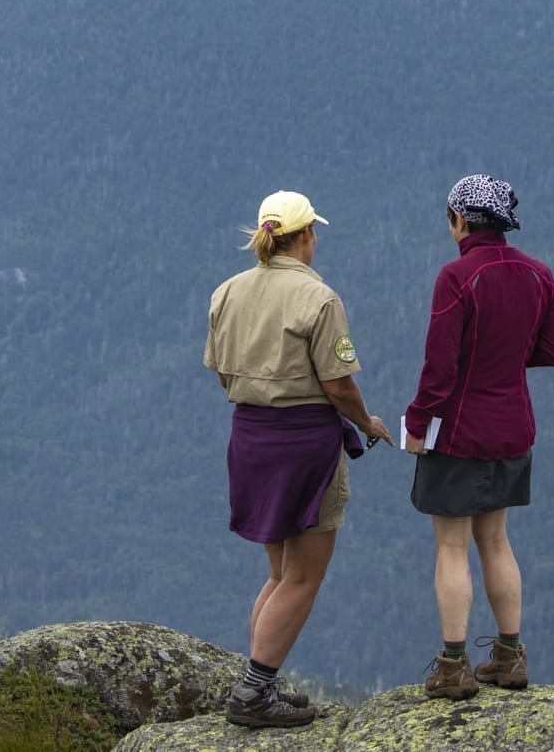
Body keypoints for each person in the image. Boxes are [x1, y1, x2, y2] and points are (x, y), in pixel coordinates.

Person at [205, 189, 392, 728]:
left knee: (279, 571)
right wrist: (366, 421)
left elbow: (223, 373)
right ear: (307, 236)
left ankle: (262, 679)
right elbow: (337, 384)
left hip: (250, 439)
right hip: (305, 442)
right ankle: (254, 693)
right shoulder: (320, 300)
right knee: (304, 576)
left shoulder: (227, 292)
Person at [404, 174, 554, 699]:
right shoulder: (538, 274)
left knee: (452, 546)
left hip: (458, 433)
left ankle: (454, 668)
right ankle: (510, 656)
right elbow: (550, 351)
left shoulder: (456, 277)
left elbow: (439, 368)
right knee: (496, 541)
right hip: (514, 428)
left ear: (459, 220)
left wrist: (415, 423)